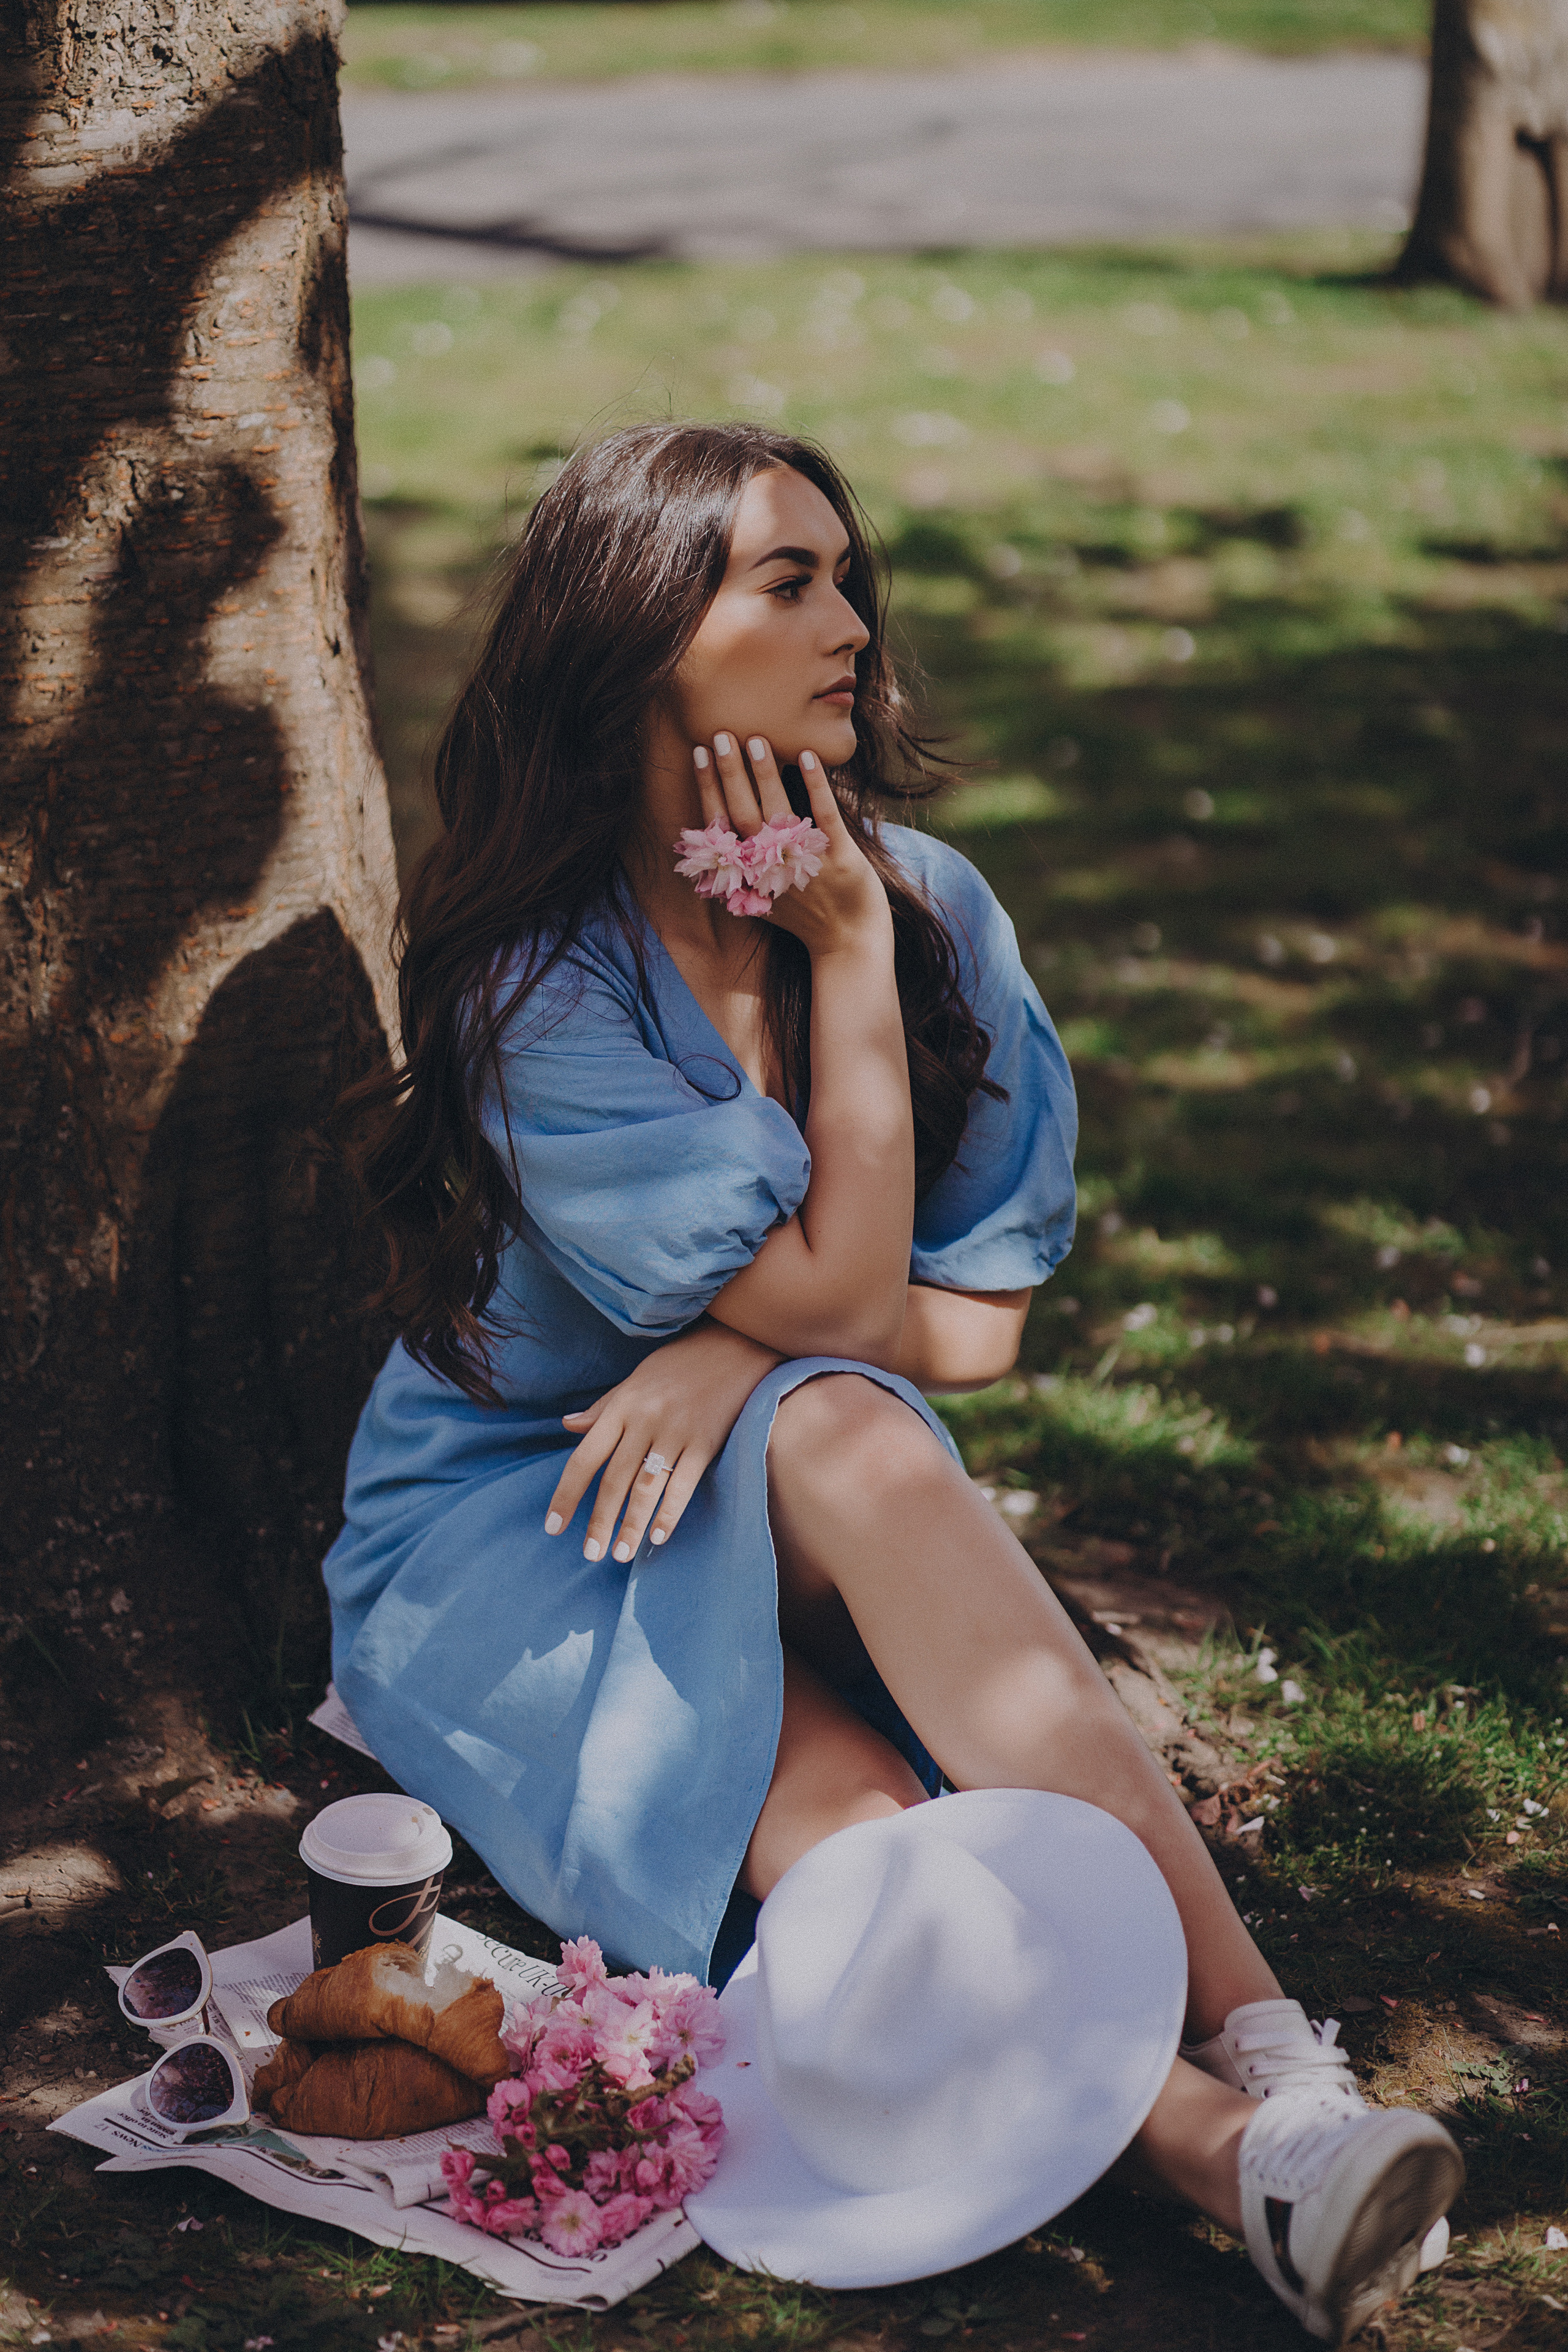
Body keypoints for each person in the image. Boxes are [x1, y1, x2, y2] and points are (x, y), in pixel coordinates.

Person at [330, 423, 1461, 2340]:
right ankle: (1244, 2159)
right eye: (787, 582)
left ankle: (1277, 2049)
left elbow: (972, 1326)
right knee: (855, 1843)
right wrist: (834, 970)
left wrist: (727, 1339)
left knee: (840, 1424)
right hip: (516, 1531)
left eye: (849, 575)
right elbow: (856, 1296)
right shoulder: (540, 983)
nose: (850, 622)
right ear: (642, 634)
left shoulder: (931, 901)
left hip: (783, 1473)